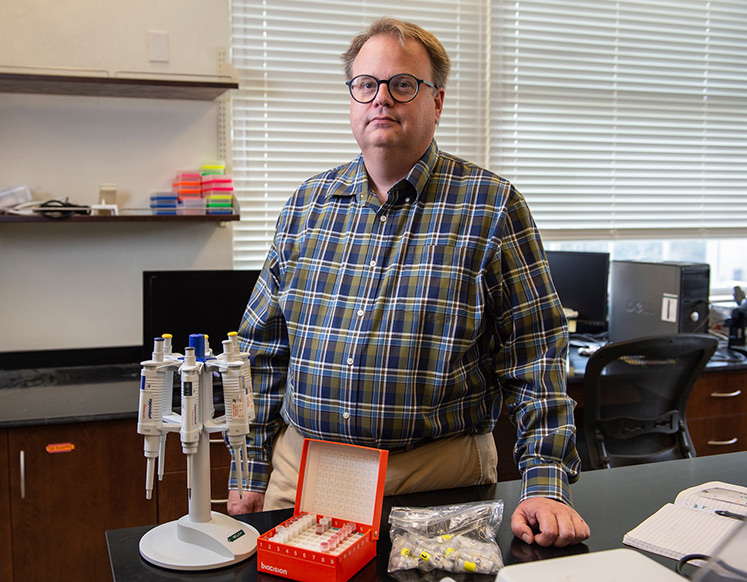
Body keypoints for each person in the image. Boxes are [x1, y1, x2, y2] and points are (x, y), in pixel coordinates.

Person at [227, 17, 590, 548]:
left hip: (437, 479)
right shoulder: (306, 205)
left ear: (436, 102)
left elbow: (535, 356)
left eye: (402, 85)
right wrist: (248, 467)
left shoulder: (490, 207)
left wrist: (546, 486)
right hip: (303, 472)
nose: (381, 100)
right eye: (366, 85)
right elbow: (263, 349)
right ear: (352, 98)